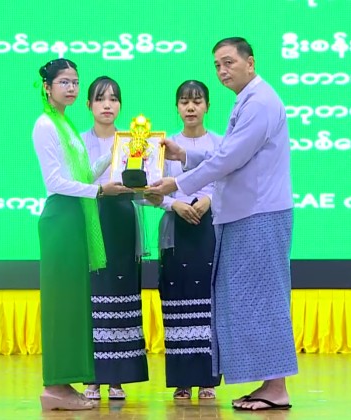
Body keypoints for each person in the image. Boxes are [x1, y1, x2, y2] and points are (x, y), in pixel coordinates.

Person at [145, 37, 297, 411]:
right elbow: (228, 155)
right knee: (252, 300)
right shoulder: (247, 100)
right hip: (247, 214)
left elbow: (229, 159)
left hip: (259, 213)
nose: (222, 70)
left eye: (229, 62)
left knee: (265, 300)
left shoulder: (259, 102)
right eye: (217, 65)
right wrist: (186, 155)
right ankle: (269, 384)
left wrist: (177, 183)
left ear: (250, 62)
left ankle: (276, 388)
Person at [32, 59, 132, 411]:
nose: (71, 88)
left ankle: (65, 384)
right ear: (47, 87)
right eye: (64, 82)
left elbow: (83, 174)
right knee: (62, 305)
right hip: (61, 217)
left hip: (75, 215)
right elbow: (55, 181)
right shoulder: (45, 124)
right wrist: (100, 191)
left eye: (75, 82)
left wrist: (116, 152)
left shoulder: (65, 123)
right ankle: (54, 387)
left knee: (74, 304)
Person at [146, 80, 221, 400]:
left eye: (197, 101)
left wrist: (209, 200)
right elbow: (149, 190)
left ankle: (207, 380)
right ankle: (182, 380)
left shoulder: (221, 143)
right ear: (177, 107)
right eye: (184, 102)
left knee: (208, 304)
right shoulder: (164, 145)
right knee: (176, 302)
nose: (191, 107)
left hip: (209, 228)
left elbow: (230, 182)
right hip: (175, 230)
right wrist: (173, 204)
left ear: (207, 106)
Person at [80, 76, 149, 401]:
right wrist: (111, 156)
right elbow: (79, 180)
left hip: (123, 219)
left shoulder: (136, 141)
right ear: (89, 105)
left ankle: (118, 377)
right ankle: (92, 377)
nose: (107, 105)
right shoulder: (78, 142)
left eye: (114, 99)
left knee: (122, 293)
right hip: (92, 220)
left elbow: (145, 186)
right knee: (94, 295)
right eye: (100, 98)